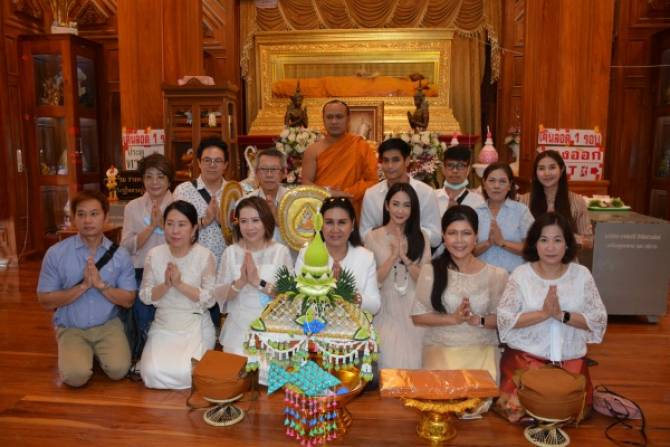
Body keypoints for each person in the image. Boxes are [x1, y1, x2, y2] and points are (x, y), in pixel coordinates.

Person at [495, 212, 607, 422]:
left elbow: (597, 320)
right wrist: (544, 314)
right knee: (520, 410)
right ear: (535, 244)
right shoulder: (521, 275)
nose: (550, 247)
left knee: (566, 410)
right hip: (526, 359)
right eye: (544, 240)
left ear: (567, 244)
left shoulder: (581, 275)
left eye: (557, 240)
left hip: (570, 360)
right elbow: (505, 320)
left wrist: (561, 315)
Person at [37, 191, 136, 387]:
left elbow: (128, 300)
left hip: (108, 324)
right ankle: (78, 352)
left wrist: (101, 286)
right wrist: (83, 287)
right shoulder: (56, 254)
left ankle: (92, 353)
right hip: (71, 326)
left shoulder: (120, 255)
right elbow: (45, 300)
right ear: (73, 219)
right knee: (75, 377)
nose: (87, 220)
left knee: (119, 370)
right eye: (81, 214)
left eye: (94, 214)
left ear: (105, 217)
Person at [412, 205, 508, 390]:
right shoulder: (430, 271)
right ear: (443, 236)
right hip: (440, 355)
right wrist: (453, 319)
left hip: (482, 356)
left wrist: (478, 320)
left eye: (466, 233)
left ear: (476, 236)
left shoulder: (497, 275)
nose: (459, 240)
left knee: (477, 403)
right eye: (452, 233)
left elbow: (503, 320)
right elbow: (418, 316)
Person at [138, 200, 217, 389]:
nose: (175, 231)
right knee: (151, 373)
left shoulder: (205, 255)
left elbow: (211, 299)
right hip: (164, 323)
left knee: (189, 373)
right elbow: (145, 296)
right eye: (170, 224)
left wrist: (179, 284)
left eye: (182, 224)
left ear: (194, 229)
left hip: (195, 323)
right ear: (163, 226)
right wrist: (166, 285)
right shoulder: (154, 254)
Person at [365, 183, 431, 369]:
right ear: (387, 205)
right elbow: (372, 281)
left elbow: (426, 281)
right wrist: (392, 257)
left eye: (406, 205)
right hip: (385, 311)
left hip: (414, 311)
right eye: (395, 204)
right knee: (388, 366)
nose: (400, 211)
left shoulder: (422, 237)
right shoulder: (372, 237)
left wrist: (405, 258)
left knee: (416, 367)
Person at [215, 197, 293, 355]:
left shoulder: (280, 252)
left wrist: (258, 282)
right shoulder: (230, 253)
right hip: (238, 329)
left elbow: (287, 295)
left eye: (255, 220)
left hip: (273, 328)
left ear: (266, 221)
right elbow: (221, 295)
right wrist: (240, 282)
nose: (249, 227)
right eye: (244, 221)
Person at [120, 153, 174, 364]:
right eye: (149, 176)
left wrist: (164, 226)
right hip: (141, 271)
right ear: (142, 179)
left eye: (160, 176)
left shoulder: (179, 205)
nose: (154, 182)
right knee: (143, 317)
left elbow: (187, 242)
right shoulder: (132, 207)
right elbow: (125, 246)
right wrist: (151, 227)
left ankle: (167, 355)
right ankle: (143, 355)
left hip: (172, 271)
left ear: (169, 180)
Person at [295, 197, 381, 315]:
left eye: (342, 222)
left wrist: (348, 292)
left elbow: (375, 306)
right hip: (313, 324)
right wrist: (327, 287)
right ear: (320, 224)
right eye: (329, 222)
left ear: (352, 225)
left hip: (353, 325)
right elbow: (296, 301)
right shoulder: (306, 254)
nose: (335, 229)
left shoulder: (366, 257)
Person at [301, 99, 378, 217]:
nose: (334, 121)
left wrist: (347, 193)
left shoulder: (361, 146)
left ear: (348, 119)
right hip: (322, 208)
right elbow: (306, 183)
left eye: (339, 117)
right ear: (323, 119)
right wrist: (328, 193)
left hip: (352, 207)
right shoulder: (312, 150)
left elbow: (372, 180)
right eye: (329, 117)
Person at [360, 138, 441, 248]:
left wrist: (405, 233)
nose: (390, 166)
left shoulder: (425, 193)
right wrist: (385, 233)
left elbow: (435, 237)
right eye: (385, 160)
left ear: (407, 161)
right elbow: (363, 235)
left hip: (415, 254)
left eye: (395, 160)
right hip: (381, 254)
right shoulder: (371, 194)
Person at [518, 150, 593, 249]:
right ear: (536, 172)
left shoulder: (577, 201)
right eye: (541, 168)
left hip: (566, 258)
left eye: (552, 167)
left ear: (561, 170)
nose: (547, 173)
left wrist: (575, 239)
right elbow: (517, 238)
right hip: (533, 257)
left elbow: (589, 242)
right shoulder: (523, 200)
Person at [173, 137, 229, 265]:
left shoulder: (235, 192)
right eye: (207, 160)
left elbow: (245, 233)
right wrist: (204, 221)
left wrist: (224, 223)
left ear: (225, 165)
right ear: (198, 162)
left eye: (218, 160)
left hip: (227, 265)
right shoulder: (183, 191)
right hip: (192, 264)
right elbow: (175, 230)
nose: (212, 165)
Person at [474, 163, 534, 273]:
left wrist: (502, 242)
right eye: (492, 180)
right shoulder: (475, 213)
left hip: (514, 277)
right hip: (482, 277)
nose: (496, 186)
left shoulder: (521, 211)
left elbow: (532, 249)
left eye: (502, 181)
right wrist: (488, 243)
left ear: (510, 185)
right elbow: (468, 251)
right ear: (484, 184)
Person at [243, 148, 289, 245]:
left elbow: (302, 239)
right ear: (256, 172)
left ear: (284, 173)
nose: (269, 175)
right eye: (264, 169)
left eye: (274, 169)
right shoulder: (246, 203)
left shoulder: (295, 201)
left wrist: (278, 219)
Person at [434, 145, 485, 217]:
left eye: (461, 166)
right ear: (443, 169)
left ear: (468, 169)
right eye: (450, 165)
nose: (455, 170)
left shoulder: (479, 202)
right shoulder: (432, 197)